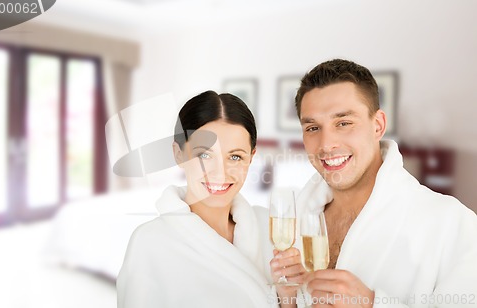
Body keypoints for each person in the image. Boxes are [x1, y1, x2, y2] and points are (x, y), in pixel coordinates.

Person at [270, 59, 477, 307]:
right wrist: (287, 300)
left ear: (377, 125)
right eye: (313, 127)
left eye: (343, 123)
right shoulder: (297, 221)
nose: (326, 144)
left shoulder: (452, 224)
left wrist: (371, 304)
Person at [117, 90, 276, 308]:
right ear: (178, 154)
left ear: (251, 157)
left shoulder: (271, 227)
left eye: (235, 156)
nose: (220, 172)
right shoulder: (149, 242)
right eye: (204, 155)